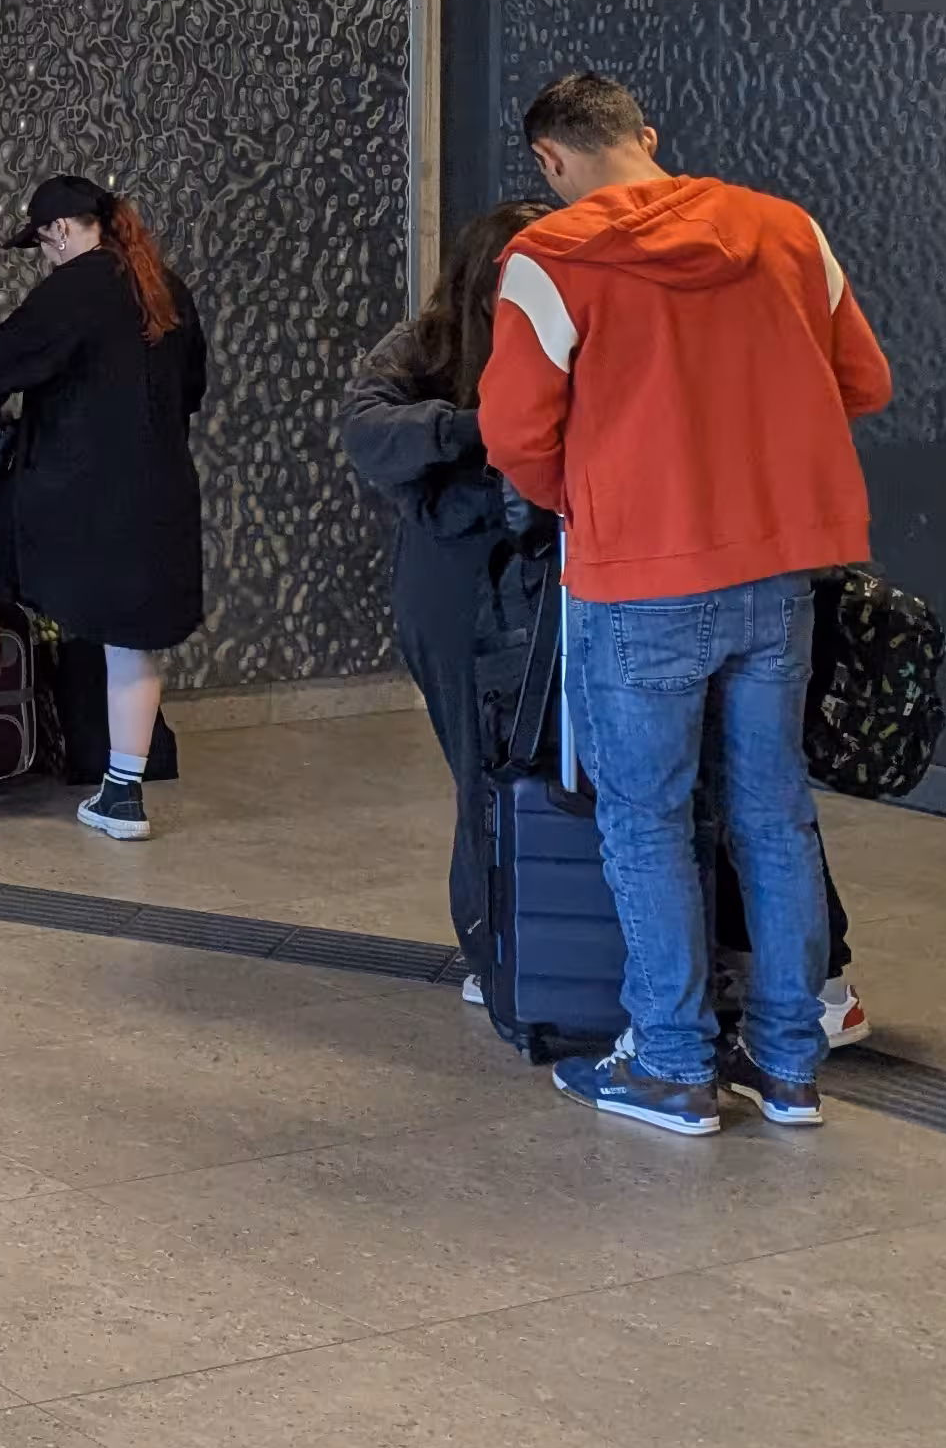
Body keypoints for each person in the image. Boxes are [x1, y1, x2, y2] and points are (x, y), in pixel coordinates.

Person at [481, 70, 891, 1138]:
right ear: (647, 137)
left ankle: (670, 1064)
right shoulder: (789, 230)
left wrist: (599, 488)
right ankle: (792, 1066)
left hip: (639, 581)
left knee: (647, 819)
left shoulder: (548, 260)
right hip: (778, 577)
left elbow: (517, 435)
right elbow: (863, 380)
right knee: (774, 815)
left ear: (551, 162)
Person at [0, 175, 206, 839]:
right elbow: (193, 387)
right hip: (159, 490)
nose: (48, 256)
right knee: (129, 636)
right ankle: (122, 797)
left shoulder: (78, 285)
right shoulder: (169, 289)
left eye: (44, 244)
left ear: (62, 230)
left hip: (64, 488)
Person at [340, 198, 551, 987]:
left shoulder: (572, 335)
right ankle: (494, 948)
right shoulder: (430, 342)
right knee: (481, 765)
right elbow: (366, 430)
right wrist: (470, 432)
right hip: (455, 586)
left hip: (539, 577)